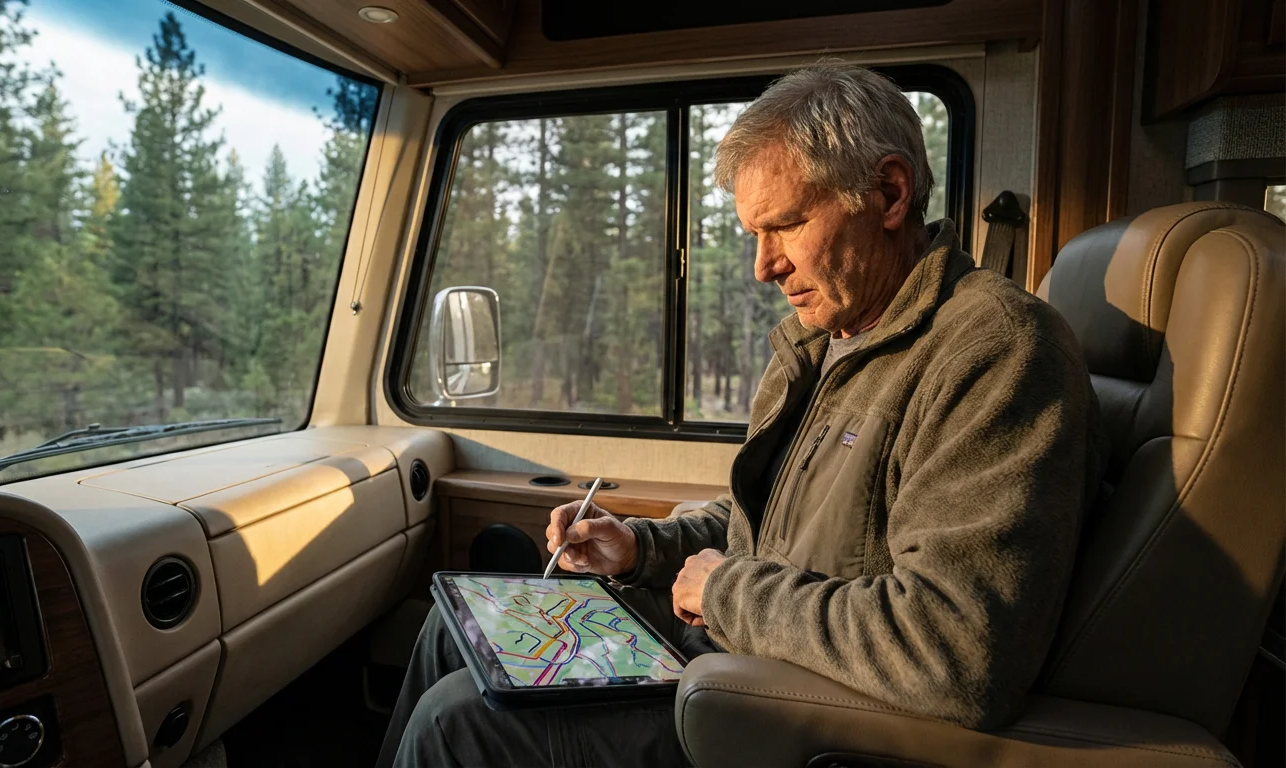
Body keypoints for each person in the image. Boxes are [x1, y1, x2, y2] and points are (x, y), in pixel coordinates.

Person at [375, 60, 1107, 768]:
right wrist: (641, 549)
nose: (763, 266)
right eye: (754, 235)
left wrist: (725, 591)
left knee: (457, 729)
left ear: (888, 194)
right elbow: (766, 522)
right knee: (457, 625)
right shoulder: (831, 341)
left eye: (784, 227)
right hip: (734, 650)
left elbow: (955, 648)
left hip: (784, 706)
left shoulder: (995, 352)